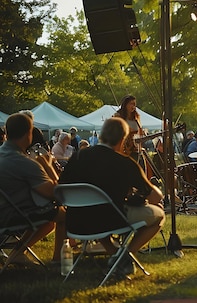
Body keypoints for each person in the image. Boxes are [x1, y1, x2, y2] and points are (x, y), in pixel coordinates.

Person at [59, 117, 165, 277]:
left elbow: (61, 187)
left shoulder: (77, 157)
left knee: (97, 208)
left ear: (101, 135)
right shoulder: (125, 163)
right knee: (159, 216)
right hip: (110, 220)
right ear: (123, 139)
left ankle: (114, 253)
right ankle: (124, 256)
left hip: (76, 222)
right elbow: (156, 197)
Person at [0, 113, 66, 266]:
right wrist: (47, 165)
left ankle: (16, 254)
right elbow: (54, 194)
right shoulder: (24, 162)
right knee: (62, 214)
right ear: (28, 134)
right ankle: (57, 261)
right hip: (13, 216)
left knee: (48, 222)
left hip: (5, 212)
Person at [113, 95, 143, 160]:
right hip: (122, 148)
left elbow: (140, 132)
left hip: (135, 148)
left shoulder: (136, 117)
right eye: (131, 104)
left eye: (134, 104)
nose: (133, 106)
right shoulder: (118, 116)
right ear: (125, 105)